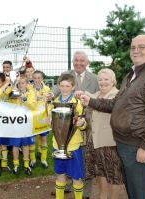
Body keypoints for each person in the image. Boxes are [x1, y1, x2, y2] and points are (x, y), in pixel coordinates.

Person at [80, 35, 145, 199]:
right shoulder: (132, 75)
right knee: (134, 192)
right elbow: (115, 104)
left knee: (141, 193)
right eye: (133, 47)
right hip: (125, 144)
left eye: (141, 47)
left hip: (138, 145)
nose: (136, 50)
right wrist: (91, 101)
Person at [52, 51, 98, 198]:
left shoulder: (95, 79)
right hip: (65, 130)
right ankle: (65, 186)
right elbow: (54, 93)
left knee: (86, 159)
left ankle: (85, 193)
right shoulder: (66, 75)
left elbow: (99, 97)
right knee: (64, 165)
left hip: (88, 122)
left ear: (87, 62)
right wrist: (48, 96)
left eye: (82, 60)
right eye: (76, 60)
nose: (78, 63)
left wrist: (86, 97)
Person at [82, 69, 123, 199]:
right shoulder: (96, 94)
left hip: (110, 142)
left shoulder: (117, 95)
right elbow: (87, 99)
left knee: (114, 176)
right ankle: (102, 196)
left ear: (113, 81)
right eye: (100, 79)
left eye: (106, 79)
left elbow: (106, 106)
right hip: (95, 141)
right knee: (100, 173)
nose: (103, 82)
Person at [50, 73, 86, 199]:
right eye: (62, 86)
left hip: (73, 145)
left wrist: (82, 124)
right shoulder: (55, 102)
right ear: (59, 86)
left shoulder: (77, 103)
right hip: (58, 144)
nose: (64, 88)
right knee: (60, 174)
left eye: (67, 86)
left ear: (73, 86)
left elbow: (83, 122)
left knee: (77, 177)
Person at [9, 74, 37, 176]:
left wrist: (24, 99)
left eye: (23, 83)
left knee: (25, 145)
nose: (21, 85)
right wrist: (14, 86)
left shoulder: (31, 93)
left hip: (27, 123)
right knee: (15, 145)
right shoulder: (14, 93)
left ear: (27, 84)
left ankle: (26, 164)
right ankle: (16, 165)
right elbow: (8, 103)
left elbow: (33, 106)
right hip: (16, 123)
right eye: (19, 83)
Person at [30, 70, 51, 169]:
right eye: (35, 78)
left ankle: (44, 159)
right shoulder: (29, 89)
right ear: (32, 78)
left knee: (43, 138)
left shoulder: (47, 89)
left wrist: (49, 115)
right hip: (33, 118)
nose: (37, 80)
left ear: (42, 78)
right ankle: (33, 159)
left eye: (39, 78)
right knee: (32, 140)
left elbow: (50, 103)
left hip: (43, 118)